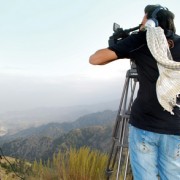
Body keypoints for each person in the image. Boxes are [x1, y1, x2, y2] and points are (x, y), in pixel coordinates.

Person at [89, 4, 180, 180]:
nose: (141, 22)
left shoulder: (142, 40)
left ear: (151, 22)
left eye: (143, 18)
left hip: (144, 125)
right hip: (176, 127)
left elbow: (95, 59)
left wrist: (126, 41)